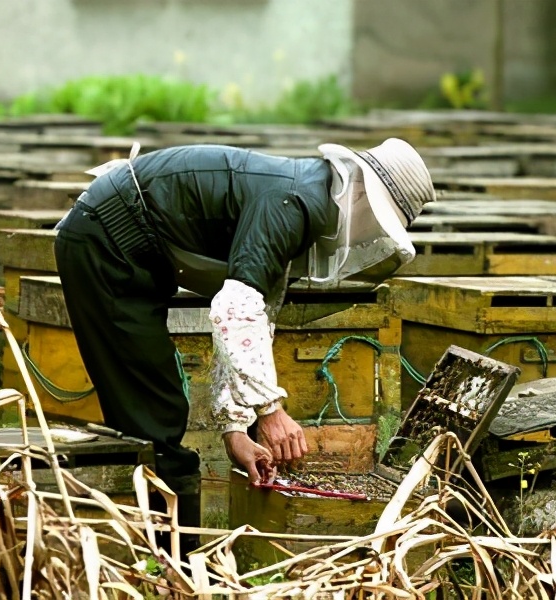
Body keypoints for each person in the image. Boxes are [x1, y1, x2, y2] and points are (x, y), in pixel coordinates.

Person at [54, 138, 436, 553]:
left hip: (140, 255)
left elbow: (252, 324)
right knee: (153, 423)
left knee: (155, 417)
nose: (368, 236)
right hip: (106, 241)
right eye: (378, 224)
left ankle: (165, 565)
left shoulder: (304, 200)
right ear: (360, 192)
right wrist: (269, 410)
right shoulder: (292, 201)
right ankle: (170, 574)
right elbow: (234, 309)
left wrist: (235, 428)